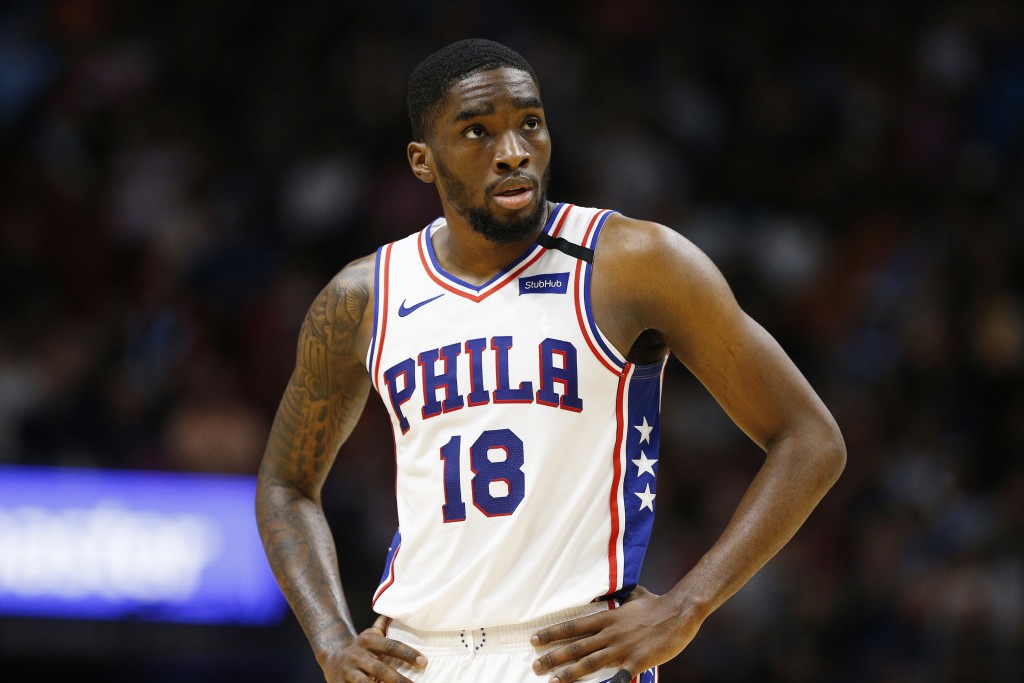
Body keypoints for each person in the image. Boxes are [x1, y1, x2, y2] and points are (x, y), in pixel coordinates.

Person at [255, 38, 846, 683]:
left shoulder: (632, 262)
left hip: (575, 656)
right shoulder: (363, 297)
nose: (513, 153)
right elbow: (286, 486)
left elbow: (812, 438)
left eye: (529, 124)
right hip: (414, 657)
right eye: (477, 132)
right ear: (423, 162)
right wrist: (330, 639)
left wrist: (687, 606)